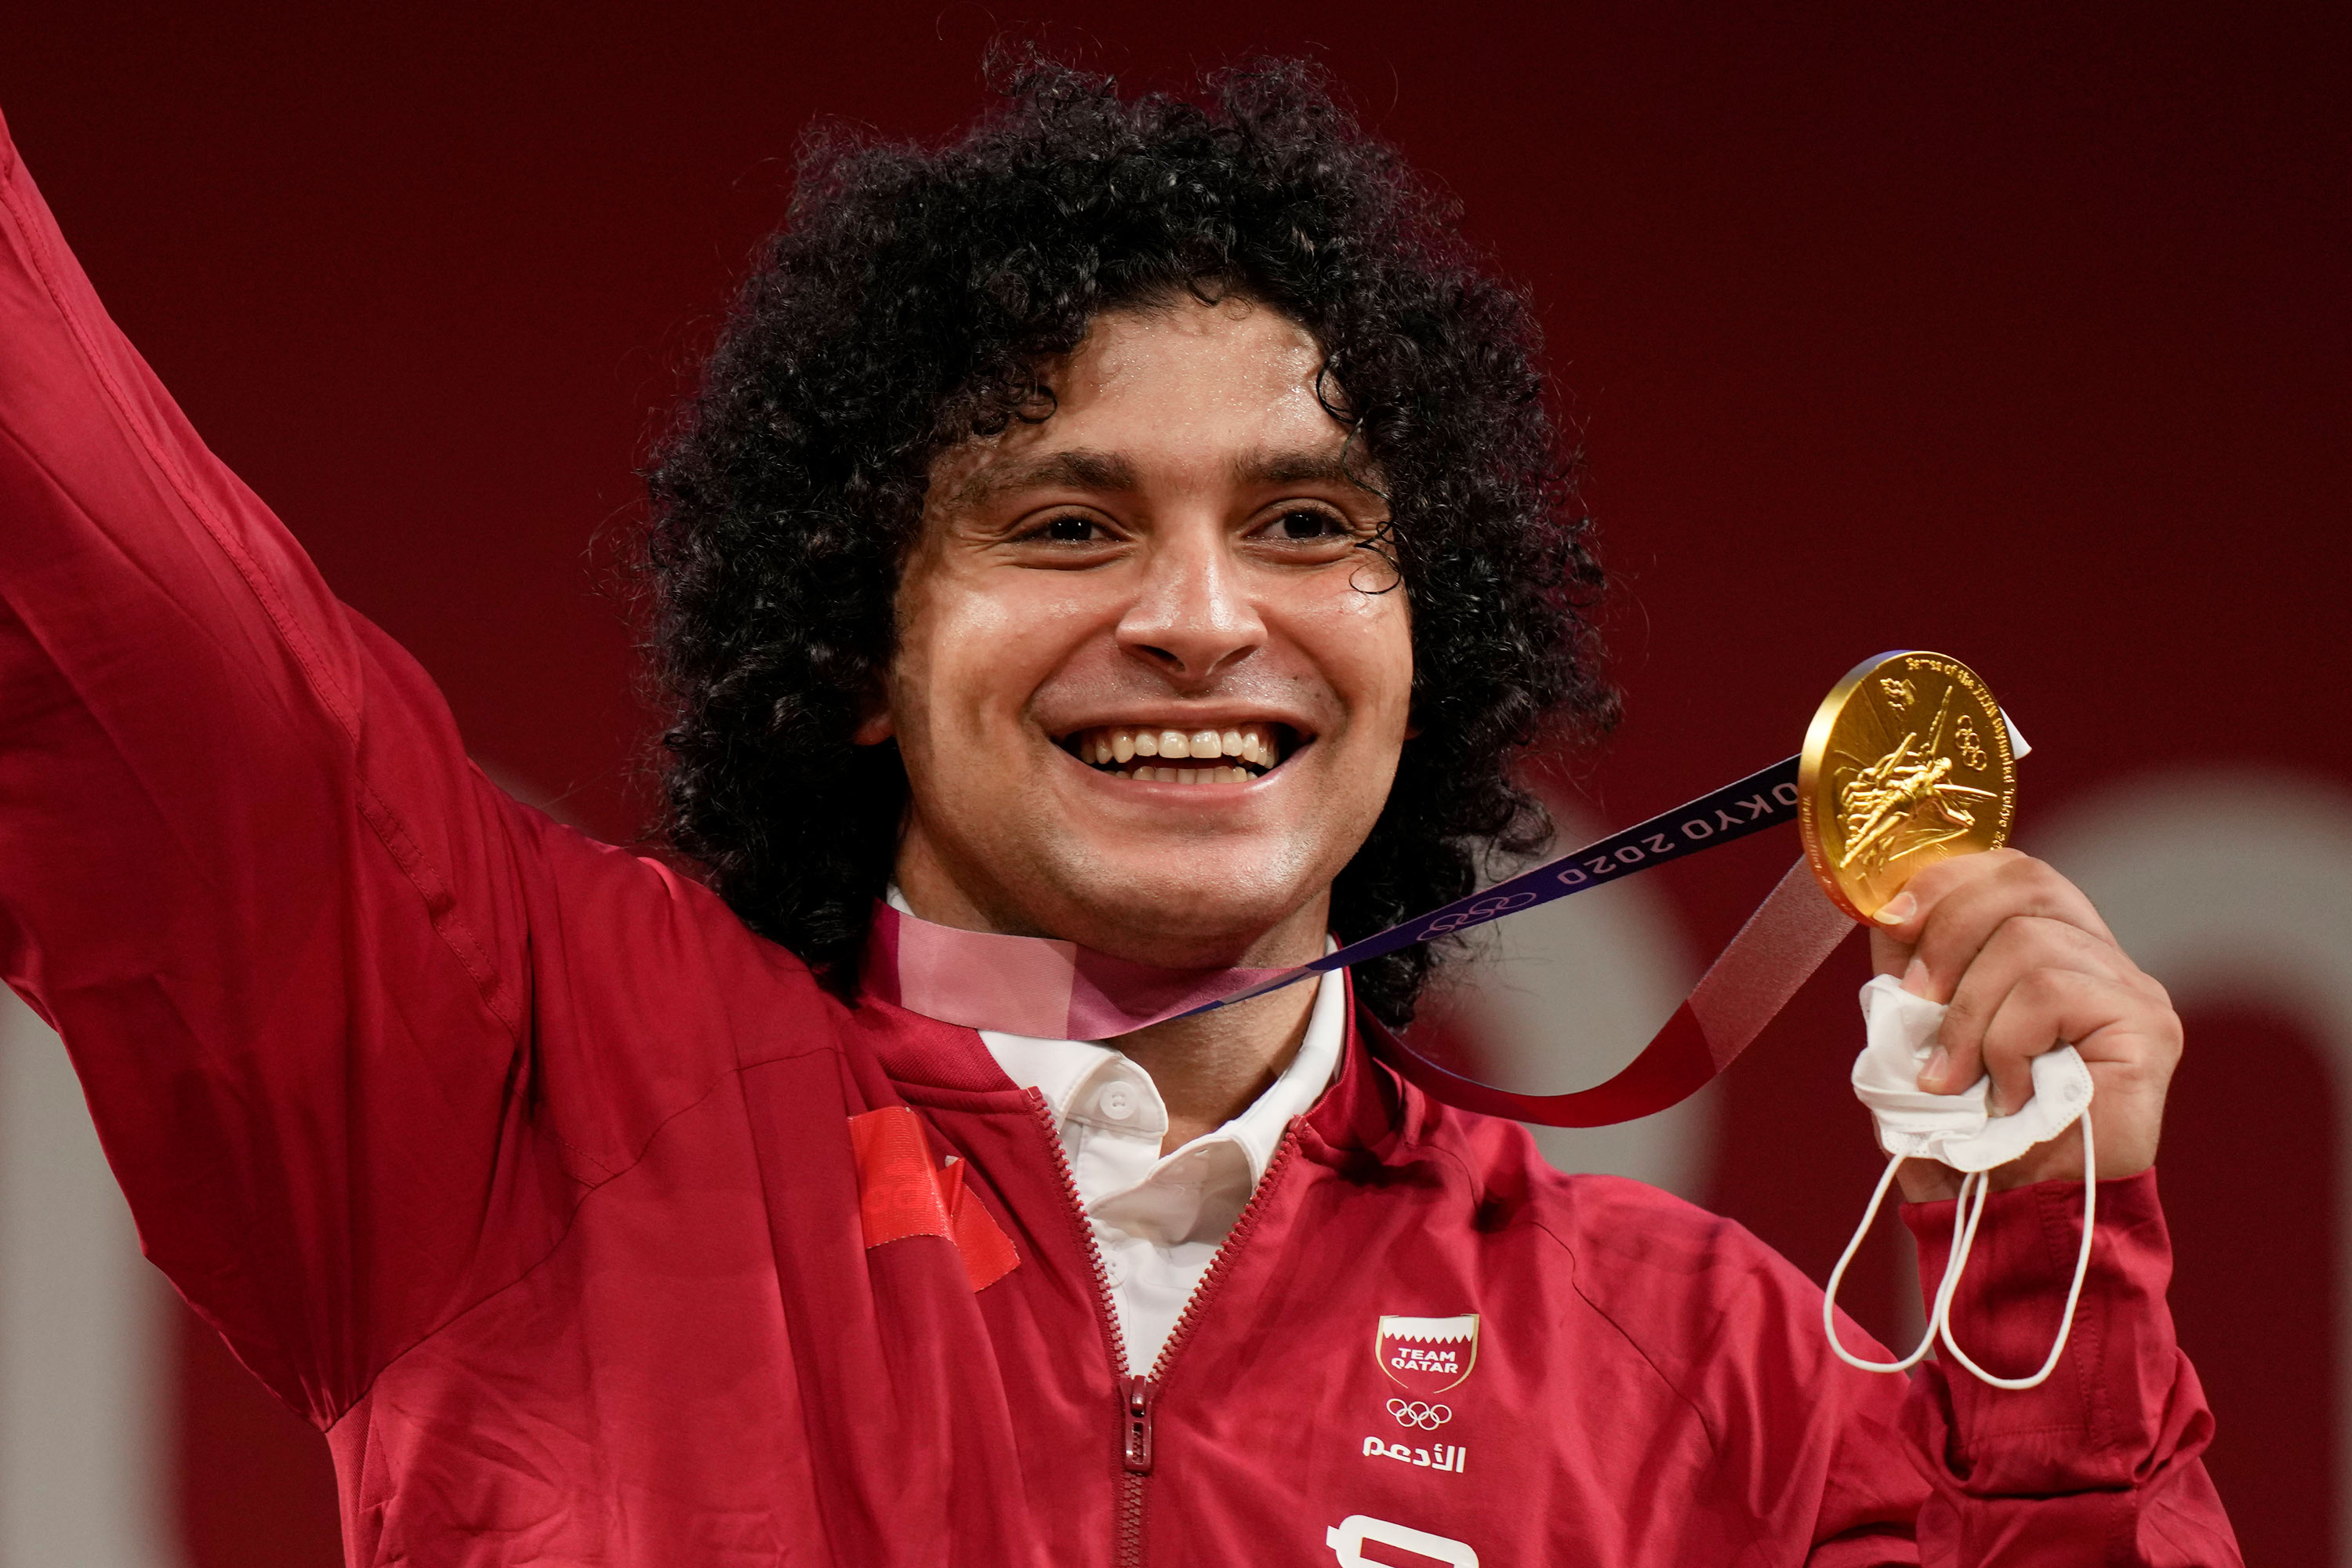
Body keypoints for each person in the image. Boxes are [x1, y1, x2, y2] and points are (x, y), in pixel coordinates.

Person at [0, 54, 2238, 1566]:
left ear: (1418, 635)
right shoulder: (525, 1098)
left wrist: (2058, 1254)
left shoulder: (1709, 1373)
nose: (1198, 619)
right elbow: (94, 572)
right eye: (1063, 527)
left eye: (1302, 524)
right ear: (857, 655)